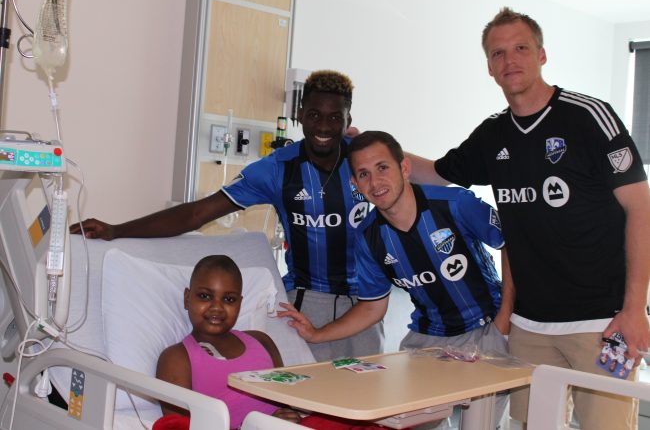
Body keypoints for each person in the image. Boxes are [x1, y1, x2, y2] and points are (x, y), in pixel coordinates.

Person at [407, 7, 650, 429]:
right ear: (489, 67)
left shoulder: (589, 116)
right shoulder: (493, 134)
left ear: (541, 54)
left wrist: (635, 309)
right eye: (498, 53)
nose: (510, 60)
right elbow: (436, 172)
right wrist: (371, 151)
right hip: (528, 327)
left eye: (520, 48)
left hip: (599, 323)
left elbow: (641, 209)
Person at [70, 70, 383, 362]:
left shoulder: (366, 158)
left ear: (348, 119)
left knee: (367, 401)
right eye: (314, 115)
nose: (324, 127)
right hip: (304, 302)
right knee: (305, 401)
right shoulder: (277, 169)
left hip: (366, 303)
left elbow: (413, 186)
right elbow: (197, 213)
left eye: (334, 117)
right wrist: (116, 230)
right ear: (301, 115)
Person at [279, 130, 514, 428]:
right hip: (428, 341)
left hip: (485, 329)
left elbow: (512, 246)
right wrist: (316, 333)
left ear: (404, 168)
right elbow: (372, 307)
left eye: (382, 168)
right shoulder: (368, 237)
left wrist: (503, 323)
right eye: (363, 174)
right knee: (402, 421)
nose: (375, 182)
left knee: (479, 425)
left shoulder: (455, 204)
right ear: (355, 184)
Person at [155, 254, 302, 429]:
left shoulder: (261, 341)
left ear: (239, 304)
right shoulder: (177, 358)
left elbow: (285, 401)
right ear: (187, 298)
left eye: (229, 299)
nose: (217, 307)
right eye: (205, 296)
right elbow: (180, 426)